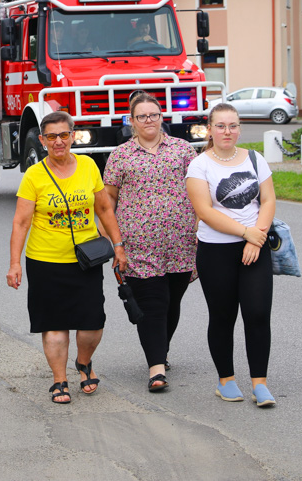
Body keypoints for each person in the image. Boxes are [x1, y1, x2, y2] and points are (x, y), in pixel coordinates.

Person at [7, 111, 127, 404]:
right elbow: (21, 222)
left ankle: (84, 363)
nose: (58, 141)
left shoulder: (87, 166)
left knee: (92, 323)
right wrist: (14, 264)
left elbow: (104, 209)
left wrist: (119, 245)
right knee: (54, 324)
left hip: (85, 260)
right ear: (42, 140)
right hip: (45, 261)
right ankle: (59, 379)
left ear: (73, 136)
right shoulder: (35, 174)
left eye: (63, 135)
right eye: (51, 136)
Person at [103, 91, 197, 392]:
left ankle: (161, 349)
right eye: (142, 116)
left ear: (161, 117)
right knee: (152, 303)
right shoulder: (120, 156)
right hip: (138, 247)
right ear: (131, 121)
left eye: (153, 115)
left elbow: (200, 192)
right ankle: (156, 368)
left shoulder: (182, 150)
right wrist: (113, 241)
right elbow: (108, 202)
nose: (149, 120)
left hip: (181, 245)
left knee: (171, 301)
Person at [185, 102, 277, 406]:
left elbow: (268, 200)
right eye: (221, 126)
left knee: (258, 314)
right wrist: (244, 232)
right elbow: (205, 211)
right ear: (209, 129)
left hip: (255, 248)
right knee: (223, 316)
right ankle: (226, 380)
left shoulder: (254, 159)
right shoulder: (200, 165)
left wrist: (256, 237)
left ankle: (260, 383)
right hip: (215, 251)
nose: (228, 131)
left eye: (233, 125)